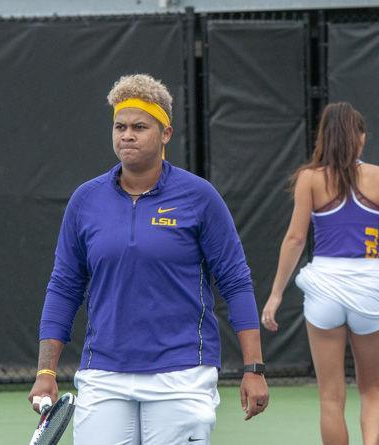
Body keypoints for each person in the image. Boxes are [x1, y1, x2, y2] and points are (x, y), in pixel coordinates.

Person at [27, 74, 269, 444]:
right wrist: (46, 370)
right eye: (120, 126)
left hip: (183, 373)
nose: (127, 135)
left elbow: (236, 281)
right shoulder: (85, 201)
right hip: (104, 373)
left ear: (165, 134)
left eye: (140, 127)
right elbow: (64, 286)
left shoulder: (200, 198)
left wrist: (253, 368)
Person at [261, 102, 379, 445]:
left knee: (330, 397)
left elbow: (294, 239)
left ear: (324, 138)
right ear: (360, 138)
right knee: (374, 389)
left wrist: (275, 295)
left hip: (324, 290)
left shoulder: (310, 179)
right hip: (370, 288)